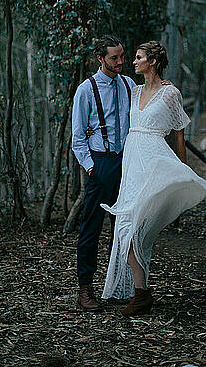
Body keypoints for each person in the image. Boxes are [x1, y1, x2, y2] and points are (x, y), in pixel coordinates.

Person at [101, 41, 206, 316]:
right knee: (125, 230)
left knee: (137, 229)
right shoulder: (133, 89)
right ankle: (141, 292)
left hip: (154, 163)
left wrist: (183, 170)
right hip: (132, 166)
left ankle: (141, 294)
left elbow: (179, 133)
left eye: (138, 58)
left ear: (152, 62)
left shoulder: (171, 93)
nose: (133, 62)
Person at [72, 35, 136, 311]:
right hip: (101, 164)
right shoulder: (86, 90)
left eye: (122, 56)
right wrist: (91, 167)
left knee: (123, 227)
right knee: (91, 228)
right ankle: (85, 288)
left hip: (127, 163)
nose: (121, 62)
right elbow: (77, 137)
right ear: (100, 59)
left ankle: (118, 286)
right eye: (114, 58)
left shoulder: (128, 84)